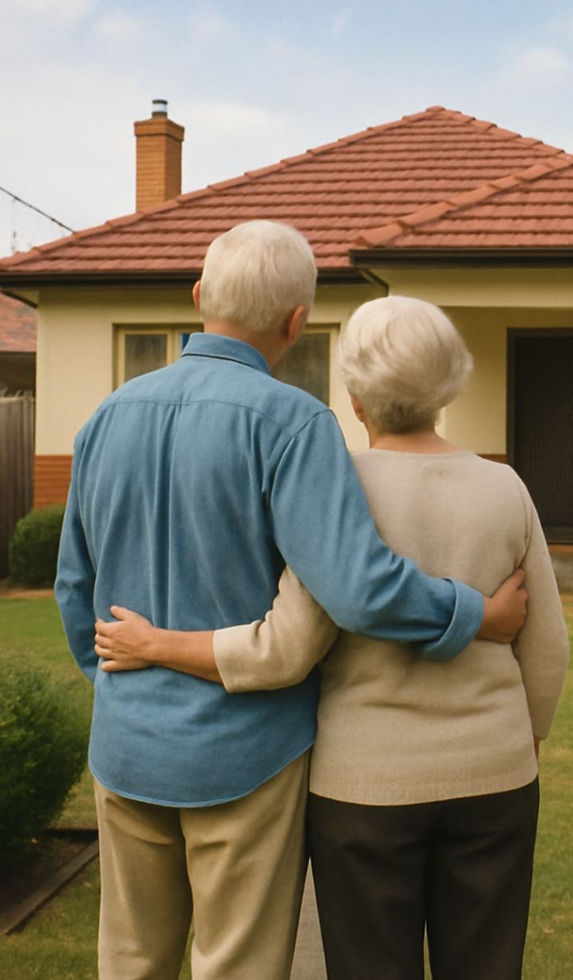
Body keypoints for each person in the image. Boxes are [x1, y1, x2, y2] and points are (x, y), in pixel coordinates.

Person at [56, 224, 527, 980]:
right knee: (235, 964)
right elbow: (356, 587)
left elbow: (75, 589)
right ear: (296, 322)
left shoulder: (105, 419)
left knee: (130, 962)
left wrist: (122, 689)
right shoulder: (295, 423)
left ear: (200, 296)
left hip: (126, 747)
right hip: (246, 755)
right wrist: (475, 615)